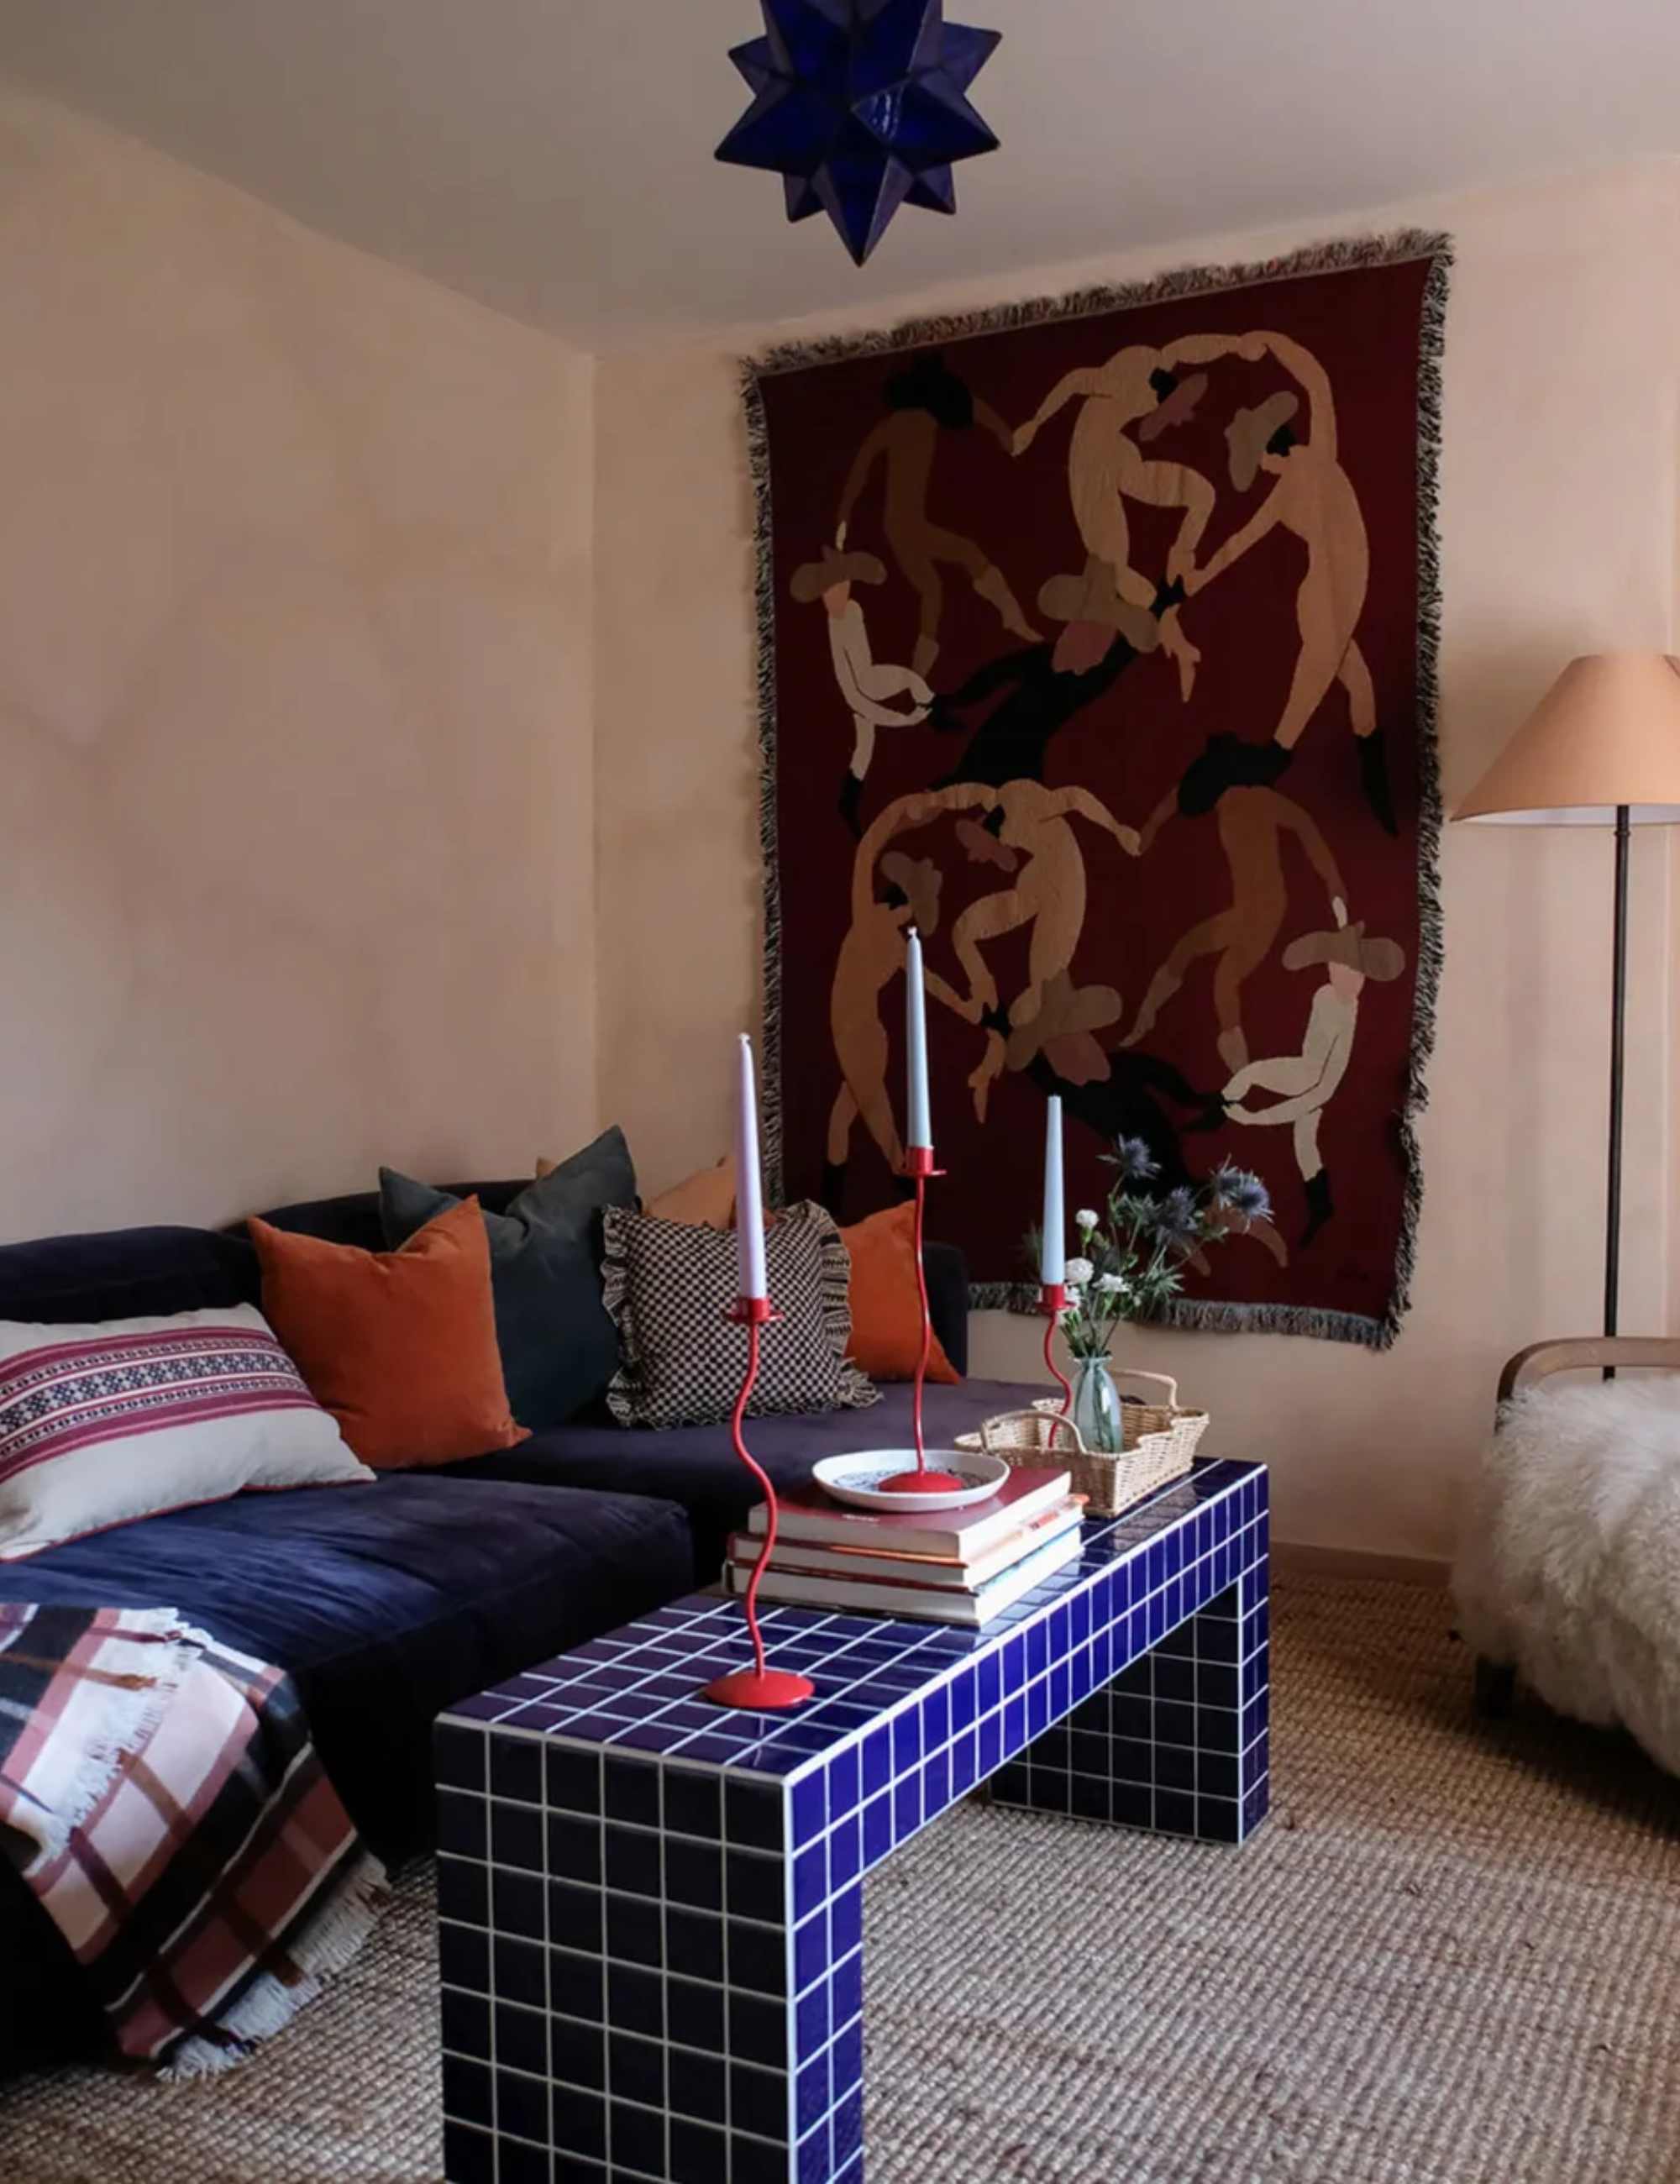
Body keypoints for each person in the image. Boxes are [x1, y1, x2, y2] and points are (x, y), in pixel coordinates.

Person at [1175, 333, 1394, 832]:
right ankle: (1226, 763)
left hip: (1329, 598)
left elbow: (1235, 544)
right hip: (1327, 600)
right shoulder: (1319, 461)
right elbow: (1315, 379)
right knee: (1287, 741)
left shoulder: (1299, 476)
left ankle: (1374, 789)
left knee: (1362, 692)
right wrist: (1271, 343)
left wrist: (1192, 585)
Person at [1011, 333, 1261, 700]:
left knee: (1198, 496)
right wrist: (1035, 424)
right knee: (1197, 497)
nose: (1182, 419)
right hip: (1098, 459)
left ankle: (1179, 564)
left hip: (1105, 457)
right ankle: (1178, 570)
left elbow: (1179, 351)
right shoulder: (1134, 379)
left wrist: (1236, 345)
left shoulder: (1148, 373)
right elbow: (1077, 380)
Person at [824, 785, 996, 1199]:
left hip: (859, 1035)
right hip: (858, 1033)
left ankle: (907, 1206)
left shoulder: (878, 927)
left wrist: (902, 812)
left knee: (886, 1138)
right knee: (843, 1118)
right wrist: (966, 1009)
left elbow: (868, 850)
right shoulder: (889, 934)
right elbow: (932, 985)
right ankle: (830, 1211)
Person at [837, 352, 1039, 678]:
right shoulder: (909, 422)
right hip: (903, 526)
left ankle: (921, 670)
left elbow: (971, 407)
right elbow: (862, 467)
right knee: (958, 564)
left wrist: (1002, 431)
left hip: (904, 524)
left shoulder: (910, 421)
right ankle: (1011, 620)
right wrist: (842, 517)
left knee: (934, 587)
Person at [1123, 785, 1348, 1074]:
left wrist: (1332, 878)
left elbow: (1304, 823)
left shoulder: (1259, 800)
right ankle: (1146, 1019)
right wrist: (1151, 826)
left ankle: (1240, 1072)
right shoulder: (1218, 797)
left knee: (1223, 979)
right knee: (1191, 950)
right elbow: (1177, 798)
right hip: (1247, 909)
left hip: (1265, 909)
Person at [1222, 917, 1405, 1247]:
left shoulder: (1349, 1020)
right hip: (1307, 1071)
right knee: (1303, 1144)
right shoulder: (1323, 995)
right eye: (1336, 967)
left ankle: (1217, 1108)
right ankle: (1322, 1208)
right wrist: (1342, 923)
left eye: (1352, 972)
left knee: (1258, 1081)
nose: (1342, 977)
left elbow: (1320, 1091)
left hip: (1321, 1086)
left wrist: (1256, 1118)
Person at [791, 539, 932, 837]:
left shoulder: (854, 610)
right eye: (832, 589)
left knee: (907, 680)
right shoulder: (834, 629)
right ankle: (848, 803)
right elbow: (855, 695)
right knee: (864, 749)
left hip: (868, 680)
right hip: (857, 693)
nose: (840, 594)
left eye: (844, 585)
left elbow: (865, 671)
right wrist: (902, 719)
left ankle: (938, 709)